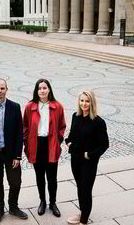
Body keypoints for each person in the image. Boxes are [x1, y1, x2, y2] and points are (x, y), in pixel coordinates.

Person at [0, 78, 28, 223]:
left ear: (7, 89)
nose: (0, 91)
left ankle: (13, 206)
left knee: (15, 182)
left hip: (11, 153)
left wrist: (17, 156)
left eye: (2, 88)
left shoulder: (15, 107)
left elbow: (19, 133)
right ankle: (0, 208)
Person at [23, 78, 66, 217]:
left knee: (52, 178)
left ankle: (53, 203)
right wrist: (27, 141)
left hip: (51, 144)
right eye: (39, 88)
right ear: (36, 91)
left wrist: (58, 140)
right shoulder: (30, 107)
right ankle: (42, 201)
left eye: (44, 88)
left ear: (49, 89)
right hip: (36, 145)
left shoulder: (57, 106)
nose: (42, 90)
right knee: (40, 176)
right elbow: (24, 126)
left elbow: (62, 126)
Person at [65, 91, 109, 225]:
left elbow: (104, 145)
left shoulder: (98, 122)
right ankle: (83, 212)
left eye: (87, 101)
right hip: (75, 159)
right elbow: (72, 134)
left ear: (92, 103)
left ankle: (84, 221)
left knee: (86, 190)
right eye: (82, 101)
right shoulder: (76, 116)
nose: (84, 104)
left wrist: (89, 155)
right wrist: (68, 142)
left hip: (88, 162)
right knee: (80, 188)